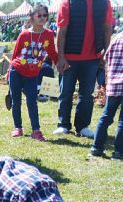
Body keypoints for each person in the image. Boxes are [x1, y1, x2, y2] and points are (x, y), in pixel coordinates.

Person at [54, 0, 113, 138]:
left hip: (93, 58)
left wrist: (106, 51)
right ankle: (63, 124)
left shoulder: (104, 2)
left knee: (87, 95)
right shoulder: (67, 2)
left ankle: (82, 126)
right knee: (65, 93)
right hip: (69, 58)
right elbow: (61, 30)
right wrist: (60, 57)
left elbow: (107, 27)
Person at [8, 4, 58, 142]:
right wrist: (8, 73)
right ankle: (18, 127)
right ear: (31, 18)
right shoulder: (24, 34)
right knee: (16, 101)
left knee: (32, 101)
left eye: (45, 15)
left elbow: (52, 52)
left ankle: (36, 130)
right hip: (16, 71)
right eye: (39, 15)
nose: (42, 18)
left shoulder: (48, 34)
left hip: (32, 74)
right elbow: (15, 55)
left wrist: (60, 63)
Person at [90, 30, 123, 160]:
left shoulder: (116, 38)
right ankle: (119, 151)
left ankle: (96, 148)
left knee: (106, 116)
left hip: (114, 83)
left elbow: (105, 58)